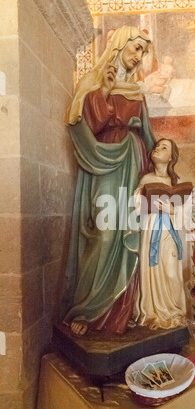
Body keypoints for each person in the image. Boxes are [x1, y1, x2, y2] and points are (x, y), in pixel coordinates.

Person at [63, 26, 156, 336]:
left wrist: (161, 169)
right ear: (119, 44)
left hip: (134, 160)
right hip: (105, 160)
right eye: (136, 46)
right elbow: (81, 124)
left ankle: (120, 313)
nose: (139, 54)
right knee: (104, 232)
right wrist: (103, 92)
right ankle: (89, 310)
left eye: (144, 50)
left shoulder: (138, 91)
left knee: (130, 234)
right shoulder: (95, 79)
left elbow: (147, 134)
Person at [132, 138, 190, 330]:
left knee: (171, 272)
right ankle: (153, 313)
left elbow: (187, 213)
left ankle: (174, 312)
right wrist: (142, 201)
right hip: (150, 230)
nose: (157, 149)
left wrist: (171, 209)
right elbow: (136, 208)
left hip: (169, 231)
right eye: (156, 146)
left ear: (171, 157)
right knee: (151, 269)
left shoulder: (176, 181)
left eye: (163, 147)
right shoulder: (146, 179)